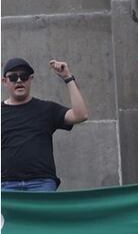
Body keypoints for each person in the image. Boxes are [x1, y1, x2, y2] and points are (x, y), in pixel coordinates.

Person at [2, 57, 89, 191]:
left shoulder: (46, 109)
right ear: (4, 81)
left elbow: (80, 115)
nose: (19, 80)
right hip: (6, 185)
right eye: (13, 77)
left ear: (31, 79)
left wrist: (68, 78)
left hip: (41, 184)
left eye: (24, 76)